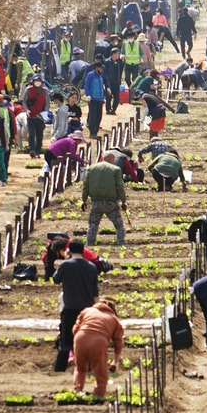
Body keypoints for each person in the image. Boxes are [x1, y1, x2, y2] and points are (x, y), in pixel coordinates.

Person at [53, 239, 99, 372]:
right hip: (87, 310)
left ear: (70, 251)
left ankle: (60, 369)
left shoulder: (66, 265)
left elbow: (56, 279)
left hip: (70, 309)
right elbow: (95, 291)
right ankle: (89, 368)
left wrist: (64, 260)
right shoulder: (91, 267)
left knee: (66, 342)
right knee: (87, 339)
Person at [72, 298, 124, 399]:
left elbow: (75, 328)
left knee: (80, 368)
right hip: (98, 341)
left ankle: (77, 392)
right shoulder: (114, 319)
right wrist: (116, 361)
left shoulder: (86, 311)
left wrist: (78, 342)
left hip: (80, 338)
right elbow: (118, 342)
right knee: (101, 373)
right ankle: (98, 396)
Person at [82, 154, 127, 247]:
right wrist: (123, 201)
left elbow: (86, 185)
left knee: (93, 225)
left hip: (95, 202)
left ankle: (90, 244)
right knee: (119, 225)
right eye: (113, 159)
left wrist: (84, 200)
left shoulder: (91, 168)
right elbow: (119, 186)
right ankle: (121, 243)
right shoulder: (115, 169)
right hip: (111, 203)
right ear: (111, 159)